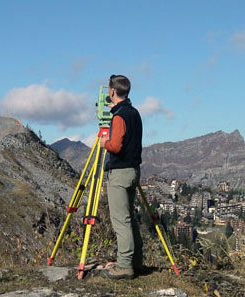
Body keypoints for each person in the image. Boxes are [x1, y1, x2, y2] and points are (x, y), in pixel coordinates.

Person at [99, 74, 143, 279]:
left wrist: (104, 143)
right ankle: (136, 262)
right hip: (134, 171)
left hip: (120, 173)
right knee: (130, 219)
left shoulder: (119, 117)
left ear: (112, 91)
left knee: (120, 220)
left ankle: (125, 265)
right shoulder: (134, 113)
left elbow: (115, 146)